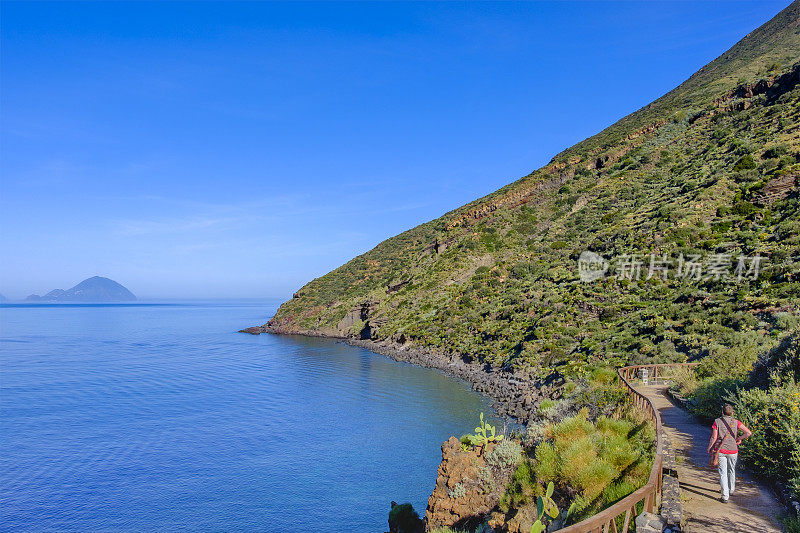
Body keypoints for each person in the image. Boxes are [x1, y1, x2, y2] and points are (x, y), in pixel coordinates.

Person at [706, 403, 752, 502]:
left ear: (722, 412)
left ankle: (725, 496)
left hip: (721, 450)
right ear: (732, 413)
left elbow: (714, 437)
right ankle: (731, 490)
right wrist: (739, 438)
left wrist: (709, 447)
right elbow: (748, 433)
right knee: (731, 470)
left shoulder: (717, 422)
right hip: (733, 450)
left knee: (723, 473)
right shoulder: (736, 422)